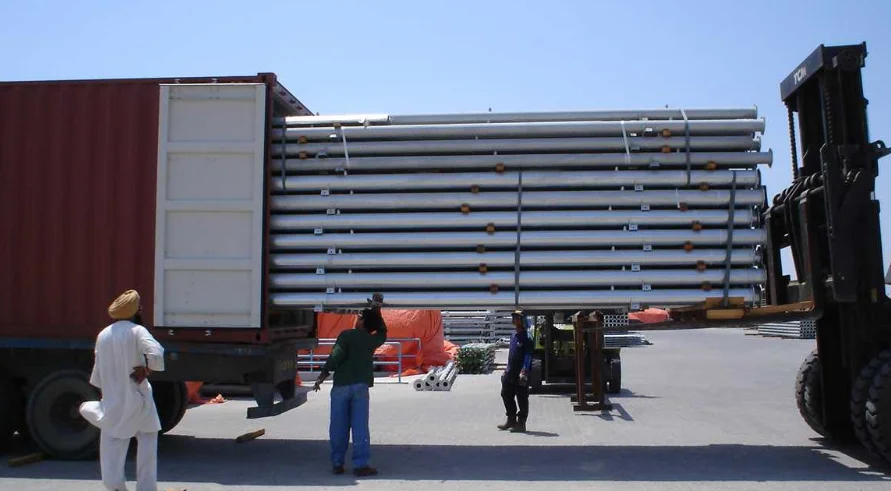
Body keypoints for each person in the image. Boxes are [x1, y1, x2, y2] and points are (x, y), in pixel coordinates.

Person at [79, 289, 165, 491]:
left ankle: (115, 486)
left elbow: (98, 375)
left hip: (114, 400)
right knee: (147, 440)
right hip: (139, 399)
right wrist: (147, 369)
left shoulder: (103, 335)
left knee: (113, 444)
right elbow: (156, 353)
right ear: (137, 311)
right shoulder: (138, 331)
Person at [312, 299, 388, 477]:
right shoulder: (371, 340)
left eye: (360, 317)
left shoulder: (346, 335)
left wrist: (322, 376)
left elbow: (335, 356)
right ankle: (361, 465)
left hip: (341, 385)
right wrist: (377, 310)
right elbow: (383, 332)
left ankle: (337, 463)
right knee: (360, 426)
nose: (357, 319)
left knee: (338, 426)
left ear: (362, 322)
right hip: (361, 386)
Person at [498, 310, 533, 433]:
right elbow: (511, 355)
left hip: (520, 372)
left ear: (523, 320)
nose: (514, 319)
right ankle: (511, 419)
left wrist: (524, 371)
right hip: (510, 371)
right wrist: (506, 369)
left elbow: (528, 355)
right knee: (505, 394)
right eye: (513, 317)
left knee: (521, 397)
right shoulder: (514, 335)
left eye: (517, 317)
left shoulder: (527, 337)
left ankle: (521, 423)